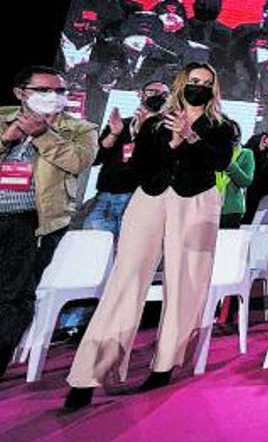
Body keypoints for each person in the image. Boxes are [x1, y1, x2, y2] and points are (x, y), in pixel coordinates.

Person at [65, 62, 235, 409]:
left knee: (185, 281)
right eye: (193, 81)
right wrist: (170, 142)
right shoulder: (155, 122)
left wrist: (191, 137)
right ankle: (88, 374)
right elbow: (140, 165)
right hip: (151, 196)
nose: (198, 87)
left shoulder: (222, 126)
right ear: (181, 84)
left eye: (205, 82)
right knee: (125, 279)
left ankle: (166, 363)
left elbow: (219, 162)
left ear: (213, 89)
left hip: (195, 200)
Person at [0, 67, 97, 379]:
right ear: (21, 93)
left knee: (13, 296)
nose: (53, 97)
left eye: (60, 91)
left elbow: (78, 161)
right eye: (44, 90)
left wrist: (42, 134)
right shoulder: (2, 118)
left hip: (34, 222)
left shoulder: (81, 128)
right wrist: (5, 140)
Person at [84, 80, 170, 236]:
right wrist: (114, 133)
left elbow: (159, 163)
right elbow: (96, 158)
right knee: (96, 249)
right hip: (106, 197)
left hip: (141, 200)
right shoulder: (122, 124)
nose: (159, 96)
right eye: (153, 91)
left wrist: (142, 131)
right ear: (140, 94)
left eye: (164, 94)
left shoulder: (169, 129)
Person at [215, 122, 254, 228]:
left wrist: (229, 163)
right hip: (209, 206)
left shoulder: (246, 154)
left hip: (232, 210)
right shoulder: (212, 153)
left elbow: (246, 181)